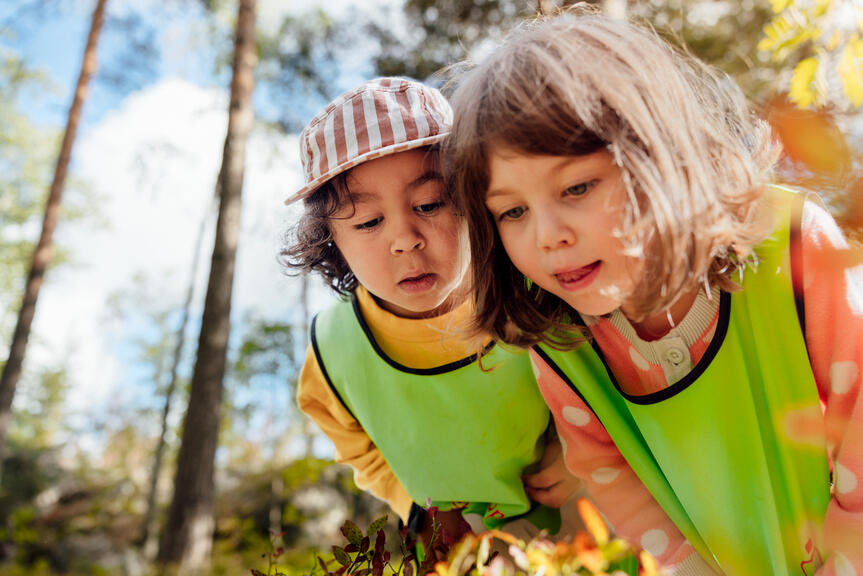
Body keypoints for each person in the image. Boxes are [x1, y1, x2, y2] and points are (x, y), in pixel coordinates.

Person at [446, 8, 863, 576]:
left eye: (576, 186)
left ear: (657, 154)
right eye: (512, 211)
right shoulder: (566, 345)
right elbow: (607, 469)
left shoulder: (790, 244)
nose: (549, 237)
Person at [283, 77, 582, 549]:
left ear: (473, 198)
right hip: (459, 544)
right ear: (330, 240)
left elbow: (607, 375)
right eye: (367, 221)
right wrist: (413, 509)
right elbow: (357, 448)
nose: (405, 238)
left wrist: (579, 453)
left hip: (582, 514)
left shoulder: (533, 286)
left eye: (429, 204)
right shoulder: (335, 352)